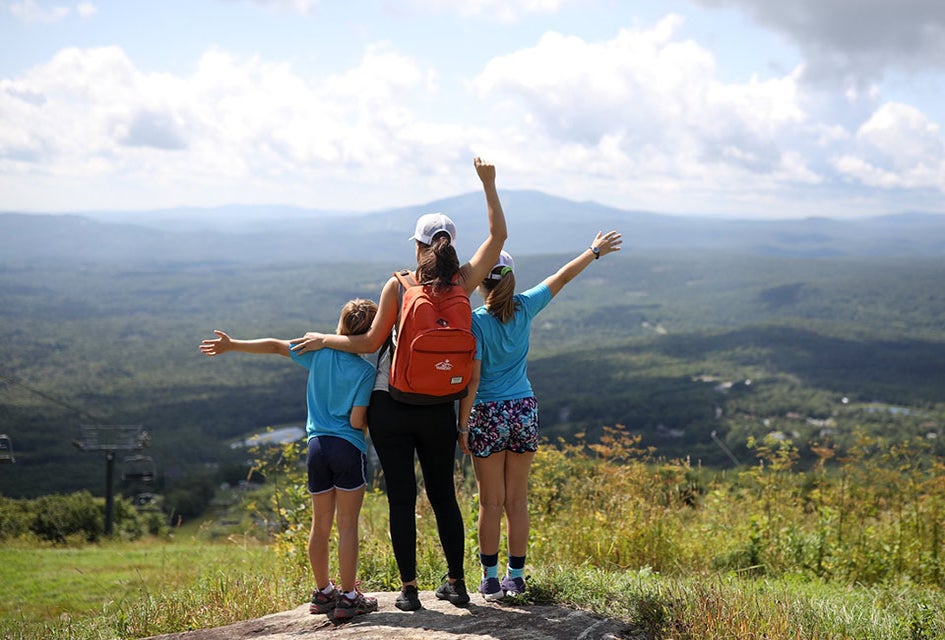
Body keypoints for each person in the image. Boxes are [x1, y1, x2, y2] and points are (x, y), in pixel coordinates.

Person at [291, 157, 507, 611]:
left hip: (391, 403)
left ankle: (409, 591)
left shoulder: (400, 284)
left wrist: (323, 338)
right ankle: (457, 583)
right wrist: (489, 185)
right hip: (439, 408)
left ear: (418, 246)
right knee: (444, 495)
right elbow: (499, 238)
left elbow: (370, 341)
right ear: (449, 246)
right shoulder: (463, 283)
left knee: (402, 499)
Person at [457, 231, 623, 601]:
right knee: (517, 500)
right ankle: (516, 578)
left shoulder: (476, 322)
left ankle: (490, 579)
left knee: (490, 502)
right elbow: (561, 276)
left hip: (487, 413)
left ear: (481, 282)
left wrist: (462, 425)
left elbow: (474, 379)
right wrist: (593, 251)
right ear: (512, 280)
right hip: (524, 409)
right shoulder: (526, 306)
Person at [199, 298, 380, 621]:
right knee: (348, 526)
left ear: (341, 326)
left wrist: (232, 345)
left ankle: (323, 592)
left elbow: (274, 347)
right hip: (347, 448)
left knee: (319, 526)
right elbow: (356, 421)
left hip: (317, 448)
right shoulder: (366, 372)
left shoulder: (318, 353)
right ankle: (350, 597)